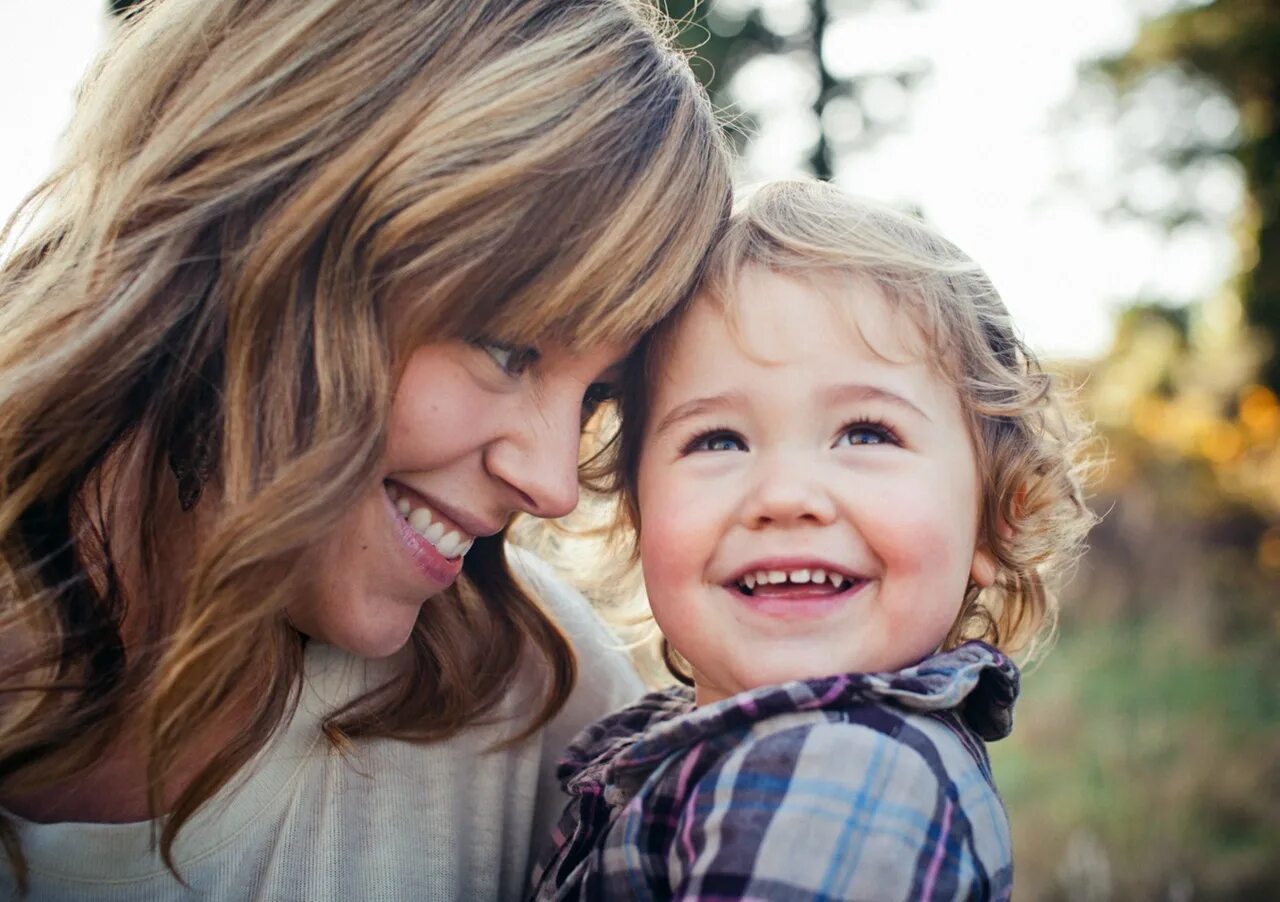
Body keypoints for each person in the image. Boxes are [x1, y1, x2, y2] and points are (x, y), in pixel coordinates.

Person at [0, 0, 731, 898]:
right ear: (270, 223)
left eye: (596, 400)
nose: (551, 486)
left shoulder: (543, 708)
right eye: (507, 348)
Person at [531, 179, 1096, 900]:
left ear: (993, 517)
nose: (785, 496)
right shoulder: (706, 748)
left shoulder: (839, 770)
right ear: (638, 509)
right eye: (718, 440)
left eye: (866, 433)